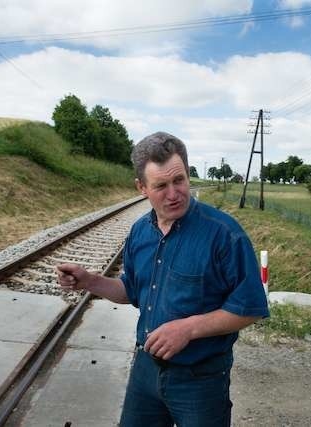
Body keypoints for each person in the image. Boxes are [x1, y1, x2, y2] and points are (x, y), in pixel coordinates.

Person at [56, 131, 269, 427]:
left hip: (200, 379)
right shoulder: (140, 232)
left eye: (179, 180)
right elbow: (130, 291)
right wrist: (90, 281)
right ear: (141, 187)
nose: (174, 193)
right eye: (161, 186)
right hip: (145, 369)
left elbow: (251, 307)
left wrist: (188, 329)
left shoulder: (224, 234)